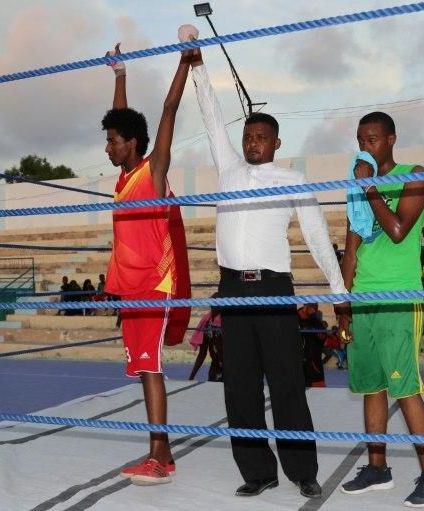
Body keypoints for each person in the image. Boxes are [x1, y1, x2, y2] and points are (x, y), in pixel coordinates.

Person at [189, 46, 346, 499]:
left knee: (287, 382)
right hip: (233, 289)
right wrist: (197, 65)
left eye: (260, 137)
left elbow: (317, 237)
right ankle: (258, 471)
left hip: (275, 289)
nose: (251, 142)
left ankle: (302, 469)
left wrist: (339, 292)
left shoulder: (293, 180)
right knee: (238, 386)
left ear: (276, 143)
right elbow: (212, 116)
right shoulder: (229, 170)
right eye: (248, 136)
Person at [337, 111, 424, 507]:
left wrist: (370, 189)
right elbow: (350, 250)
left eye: (372, 139)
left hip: (400, 298)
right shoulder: (356, 188)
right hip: (364, 300)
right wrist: (343, 304)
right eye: (360, 140)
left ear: (390, 139)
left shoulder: (413, 175)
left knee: (405, 388)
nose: (365, 146)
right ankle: (378, 467)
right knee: (371, 386)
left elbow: (400, 231)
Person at [101, 43, 193, 486]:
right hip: (130, 291)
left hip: (154, 288)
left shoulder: (153, 172)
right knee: (142, 368)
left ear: (132, 145)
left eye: (113, 142)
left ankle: (159, 459)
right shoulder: (123, 176)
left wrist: (184, 60)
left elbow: (168, 110)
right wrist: (120, 74)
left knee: (152, 367)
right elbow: (122, 119)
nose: (107, 147)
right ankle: (164, 453)